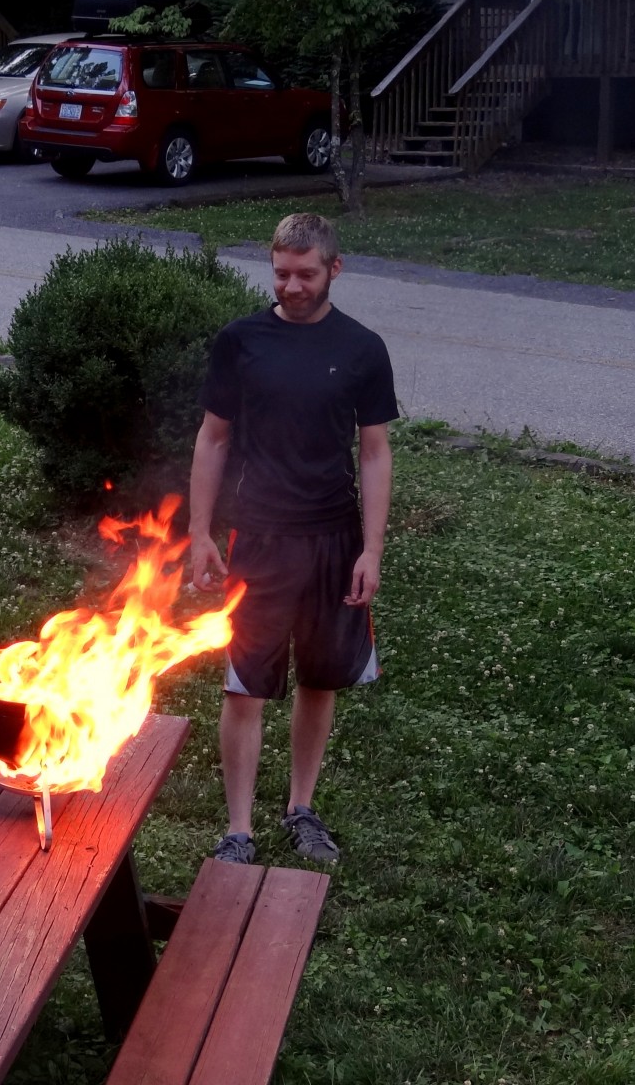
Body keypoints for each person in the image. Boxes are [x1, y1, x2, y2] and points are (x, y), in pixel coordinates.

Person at [187, 212, 397, 867]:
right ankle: (238, 830)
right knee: (244, 685)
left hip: (333, 539)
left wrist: (371, 548)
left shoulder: (362, 348)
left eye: (305, 274)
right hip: (259, 538)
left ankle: (300, 808)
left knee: (320, 679)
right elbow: (212, 438)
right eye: (281, 274)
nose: (292, 286)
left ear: (334, 269)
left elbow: (374, 453)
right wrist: (198, 532)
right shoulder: (241, 341)